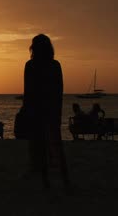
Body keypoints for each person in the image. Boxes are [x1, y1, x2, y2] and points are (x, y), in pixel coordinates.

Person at [23, 34, 70, 190]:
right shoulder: (55, 65)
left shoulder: (30, 65)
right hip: (51, 109)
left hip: (36, 109)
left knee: (40, 145)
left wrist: (26, 110)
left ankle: (45, 181)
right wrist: (57, 111)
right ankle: (65, 179)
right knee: (56, 145)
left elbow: (28, 91)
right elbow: (59, 90)